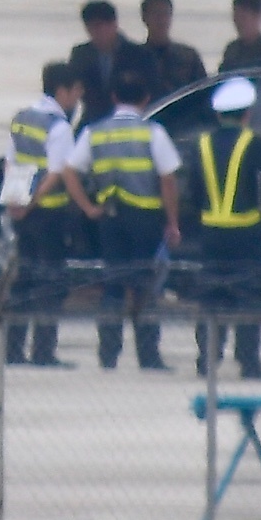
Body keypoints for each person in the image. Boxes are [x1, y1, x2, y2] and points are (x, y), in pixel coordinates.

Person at [65, 67, 183, 371]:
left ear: (114, 97)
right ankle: (148, 355)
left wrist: (88, 207)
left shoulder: (94, 132)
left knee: (113, 286)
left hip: (110, 218)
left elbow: (70, 171)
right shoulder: (153, 132)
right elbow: (168, 179)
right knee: (146, 286)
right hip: (144, 219)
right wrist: (172, 222)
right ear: (145, 98)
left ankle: (108, 354)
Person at [184, 76, 261, 379]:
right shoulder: (255, 143)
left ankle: (206, 360)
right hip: (246, 232)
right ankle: (249, 363)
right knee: (247, 297)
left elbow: (193, 190)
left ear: (219, 114)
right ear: (246, 113)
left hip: (211, 232)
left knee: (211, 298)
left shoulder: (201, 144)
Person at [6, 62, 84, 367]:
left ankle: (13, 349)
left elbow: (13, 162)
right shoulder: (59, 127)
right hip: (49, 217)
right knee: (51, 284)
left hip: (23, 214)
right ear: (62, 91)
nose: (77, 99)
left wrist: (17, 202)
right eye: (76, 92)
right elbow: (55, 174)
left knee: (23, 281)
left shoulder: (22, 118)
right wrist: (33, 202)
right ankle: (43, 351)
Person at [68, 0, 155, 127]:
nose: (96, 33)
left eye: (100, 26)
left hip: (131, 122)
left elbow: (153, 90)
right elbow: (72, 90)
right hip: (92, 122)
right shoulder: (81, 54)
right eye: (91, 27)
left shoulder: (139, 55)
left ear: (114, 24)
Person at [139, 0, 208, 98]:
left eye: (165, 14)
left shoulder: (188, 57)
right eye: (156, 14)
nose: (161, 20)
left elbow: (203, 93)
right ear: (144, 17)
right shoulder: (135, 57)